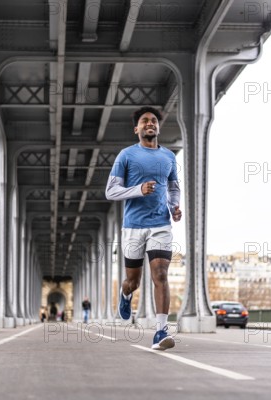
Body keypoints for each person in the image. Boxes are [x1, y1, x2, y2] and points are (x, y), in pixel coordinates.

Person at [105, 106, 182, 351]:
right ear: (136, 129)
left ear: (158, 128)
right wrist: (138, 190)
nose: (150, 123)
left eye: (154, 121)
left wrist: (174, 206)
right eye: (145, 121)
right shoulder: (126, 155)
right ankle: (126, 295)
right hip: (133, 227)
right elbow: (111, 191)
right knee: (133, 281)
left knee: (160, 274)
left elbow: (173, 187)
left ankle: (160, 331)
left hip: (160, 225)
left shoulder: (169, 157)